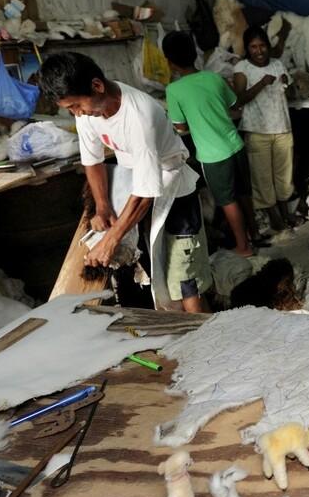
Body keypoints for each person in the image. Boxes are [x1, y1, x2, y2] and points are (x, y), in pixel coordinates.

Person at [38, 51, 212, 312]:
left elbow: (146, 192)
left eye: (76, 106)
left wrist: (110, 241)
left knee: (185, 279)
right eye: (70, 109)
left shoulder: (139, 115)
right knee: (156, 271)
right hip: (137, 188)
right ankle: (180, 325)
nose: (77, 113)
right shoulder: (87, 113)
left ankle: (207, 332)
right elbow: (92, 160)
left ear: (97, 86)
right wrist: (102, 206)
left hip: (175, 191)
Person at [162, 30, 257, 256]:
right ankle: (255, 233)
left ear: (170, 62)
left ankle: (244, 247)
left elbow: (181, 128)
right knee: (244, 193)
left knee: (227, 201)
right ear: (194, 54)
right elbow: (234, 104)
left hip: (213, 156)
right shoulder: (214, 78)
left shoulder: (173, 90)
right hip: (236, 145)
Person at [232, 26, 297, 233]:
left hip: (282, 127)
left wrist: (288, 83)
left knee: (284, 174)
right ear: (247, 49)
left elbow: (291, 94)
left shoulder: (278, 64)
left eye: (262, 46)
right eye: (253, 47)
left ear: (268, 46)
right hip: (257, 130)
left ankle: (285, 210)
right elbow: (239, 100)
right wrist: (261, 83)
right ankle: (273, 215)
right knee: (262, 177)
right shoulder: (242, 68)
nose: (259, 51)